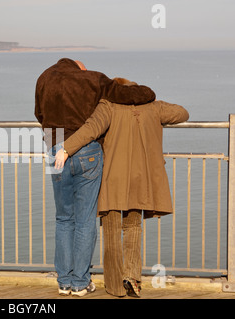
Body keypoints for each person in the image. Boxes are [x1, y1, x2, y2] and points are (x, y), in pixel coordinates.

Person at [55, 77, 189, 297]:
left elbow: (90, 129)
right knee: (133, 227)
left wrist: (66, 148)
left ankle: (115, 286)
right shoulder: (153, 107)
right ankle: (132, 277)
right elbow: (182, 113)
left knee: (111, 231)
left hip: (113, 179)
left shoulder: (109, 106)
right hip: (141, 179)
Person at [35, 58, 156, 297]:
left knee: (63, 219)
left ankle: (64, 282)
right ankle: (80, 283)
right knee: (85, 220)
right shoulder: (93, 78)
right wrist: (148, 92)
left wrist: (55, 140)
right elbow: (135, 94)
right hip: (87, 151)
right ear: (81, 67)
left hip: (55, 149)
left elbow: (39, 114)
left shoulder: (44, 78)